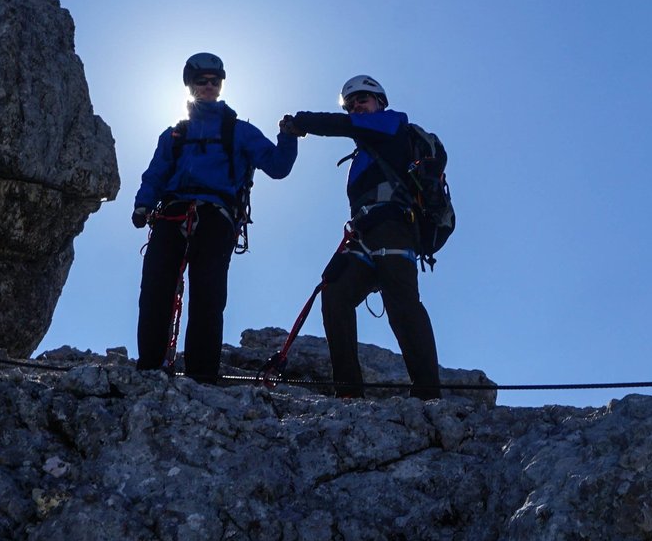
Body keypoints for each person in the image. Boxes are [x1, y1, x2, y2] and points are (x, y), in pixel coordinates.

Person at [131, 52, 297, 382]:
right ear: (189, 86)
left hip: (216, 216)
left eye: (214, 81)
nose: (208, 86)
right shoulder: (175, 134)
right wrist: (143, 204)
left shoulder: (240, 132)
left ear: (221, 85)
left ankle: (201, 375)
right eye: (200, 81)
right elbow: (155, 174)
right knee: (155, 289)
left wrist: (288, 136)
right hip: (172, 212)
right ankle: (150, 368)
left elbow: (277, 167)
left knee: (208, 294)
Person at [280, 76, 443, 399]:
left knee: (401, 304)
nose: (357, 106)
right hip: (366, 234)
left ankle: (428, 393)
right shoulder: (366, 150)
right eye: (351, 103)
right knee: (335, 293)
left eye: (363, 99)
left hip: (395, 226)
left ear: (380, 101)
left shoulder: (390, 124)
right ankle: (349, 390)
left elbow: (341, 124)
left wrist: (300, 122)